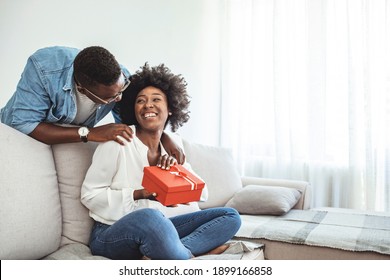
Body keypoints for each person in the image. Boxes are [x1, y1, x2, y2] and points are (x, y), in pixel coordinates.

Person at [80, 63, 241, 260]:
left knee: (230, 216)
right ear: (134, 109)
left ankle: (177, 250)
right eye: (140, 101)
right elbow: (89, 195)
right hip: (111, 233)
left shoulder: (171, 149)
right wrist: (140, 194)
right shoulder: (118, 142)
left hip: (161, 229)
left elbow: (202, 194)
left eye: (156, 99)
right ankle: (187, 257)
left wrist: (176, 170)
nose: (148, 105)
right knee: (150, 218)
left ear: (171, 108)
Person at [0, 46, 184, 162]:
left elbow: (134, 125)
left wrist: (164, 138)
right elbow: (23, 124)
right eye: (110, 98)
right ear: (82, 89)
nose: (119, 99)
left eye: (121, 90)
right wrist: (89, 133)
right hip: (11, 141)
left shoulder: (121, 77)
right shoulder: (43, 68)